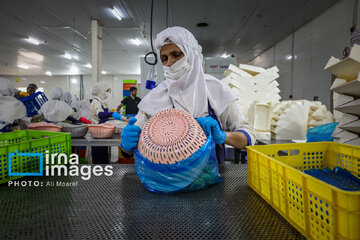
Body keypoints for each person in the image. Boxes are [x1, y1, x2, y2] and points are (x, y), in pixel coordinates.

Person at [120, 26, 256, 163]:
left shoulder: (215, 89)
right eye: (164, 58)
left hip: (210, 177)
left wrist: (223, 136)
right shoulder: (156, 97)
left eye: (176, 54)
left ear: (192, 54)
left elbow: (248, 137)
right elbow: (127, 151)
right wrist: (126, 145)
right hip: (168, 179)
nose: (170, 62)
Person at [89, 81, 126, 164]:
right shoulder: (96, 102)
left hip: (103, 132)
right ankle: (99, 174)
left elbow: (106, 115)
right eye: (106, 91)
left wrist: (117, 116)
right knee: (99, 157)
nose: (108, 94)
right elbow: (100, 115)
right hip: (97, 133)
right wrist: (112, 114)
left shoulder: (102, 102)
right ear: (101, 91)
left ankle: (105, 173)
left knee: (105, 156)